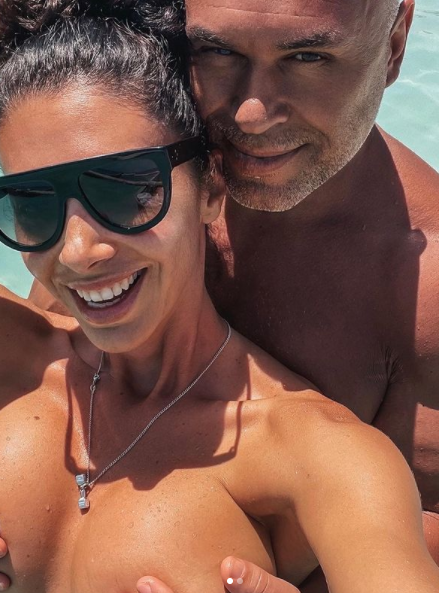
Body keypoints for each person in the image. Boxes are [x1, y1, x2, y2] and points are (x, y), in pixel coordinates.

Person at [1, 1, 439, 593]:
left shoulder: (413, 313)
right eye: (218, 50)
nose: (252, 114)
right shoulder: (115, 128)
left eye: (308, 56)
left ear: (396, 42)